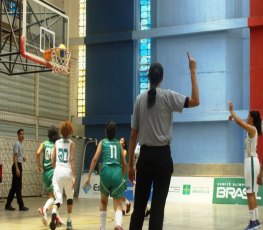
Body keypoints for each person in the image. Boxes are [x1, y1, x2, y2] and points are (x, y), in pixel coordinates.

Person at [128, 51, 200, 230]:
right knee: (158, 210)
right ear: (162, 78)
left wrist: (130, 165)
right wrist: (192, 71)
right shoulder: (168, 96)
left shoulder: (139, 100)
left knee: (138, 209)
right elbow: (196, 101)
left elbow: (133, 136)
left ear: (148, 77)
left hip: (144, 159)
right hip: (162, 159)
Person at [83, 121, 127, 230]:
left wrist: (88, 176)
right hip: (117, 172)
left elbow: (94, 159)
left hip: (106, 172)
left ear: (105, 131)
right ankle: (118, 224)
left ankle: (102, 228)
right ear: (115, 132)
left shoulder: (102, 142)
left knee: (103, 201)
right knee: (117, 202)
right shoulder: (118, 144)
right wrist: (121, 177)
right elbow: (125, 164)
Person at [228, 101, 262, 230]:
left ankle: (254, 222)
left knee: (250, 193)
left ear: (252, 119)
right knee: (251, 193)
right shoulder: (252, 129)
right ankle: (255, 220)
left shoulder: (252, 129)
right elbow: (241, 121)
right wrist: (233, 116)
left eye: (248, 116)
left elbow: (240, 123)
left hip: (252, 162)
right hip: (250, 162)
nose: (247, 118)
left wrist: (232, 111)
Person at [49, 121, 76, 230]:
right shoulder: (71, 143)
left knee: (58, 199)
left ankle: (54, 212)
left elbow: (52, 159)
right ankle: (69, 221)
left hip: (58, 171)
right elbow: (72, 159)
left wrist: (56, 168)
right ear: (70, 131)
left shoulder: (56, 143)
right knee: (69, 197)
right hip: (68, 171)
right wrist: (74, 175)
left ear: (61, 131)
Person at [36, 126, 63, 226]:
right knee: (56, 198)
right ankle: (44, 209)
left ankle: (56, 218)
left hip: (45, 173)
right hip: (53, 172)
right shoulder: (57, 144)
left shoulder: (44, 143)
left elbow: (38, 153)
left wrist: (38, 165)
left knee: (53, 196)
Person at [5, 129, 29, 211]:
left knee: (14, 187)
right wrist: (17, 168)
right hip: (17, 166)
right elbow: (14, 157)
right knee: (18, 187)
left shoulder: (21, 144)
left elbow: (19, 156)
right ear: (18, 135)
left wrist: (23, 158)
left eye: (23, 134)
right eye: (21, 134)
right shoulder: (17, 144)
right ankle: (21, 206)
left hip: (19, 165)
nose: (22, 135)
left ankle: (8, 204)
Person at [120, 137, 132, 215]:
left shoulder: (124, 151)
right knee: (118, 192)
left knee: (119, 192)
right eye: (119, 139)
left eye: (121, 140)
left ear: (124, 144)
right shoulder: (117, 150)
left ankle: (122, 208)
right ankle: (127, 204)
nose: (119, 141)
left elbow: (122, 157)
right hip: (117, 173)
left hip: (122, 173)